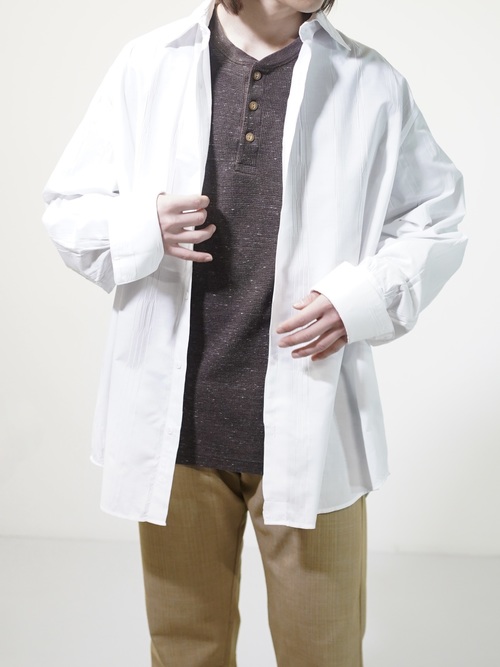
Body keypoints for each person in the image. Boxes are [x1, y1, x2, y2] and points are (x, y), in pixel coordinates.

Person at [42, 0, 466, 665]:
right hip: (178, 431)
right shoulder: (149, 65)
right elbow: (68, 209)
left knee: (324, 652)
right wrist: (141, 225)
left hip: (310, 427)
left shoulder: (369, 81)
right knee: (185, 650)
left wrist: (360, 299)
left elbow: (435, 220)